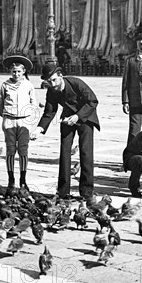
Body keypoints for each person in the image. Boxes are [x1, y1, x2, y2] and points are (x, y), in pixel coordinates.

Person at [30, 63, 100, 203]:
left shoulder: (76, 83)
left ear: (60, 75)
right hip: (67, 118)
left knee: (86, 153)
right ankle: (63, 192)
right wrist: (39, 129)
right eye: (48, 81)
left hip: (86, 118)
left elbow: (93, 101)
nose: (52, 84)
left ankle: (87, 192)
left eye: (54, 80)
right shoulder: (51, 90)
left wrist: (77, 117)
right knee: (65, 152)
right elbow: (50, 111)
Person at [0, 55, 37, 190]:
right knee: (10, 150)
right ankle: (11, 180)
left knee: (23, 151)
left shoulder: (28, 85)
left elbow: (33, 103)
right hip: (9, 121)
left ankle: (23, 180)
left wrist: (30, 120)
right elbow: (0, 103)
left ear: (24, 71)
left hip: (24, 121)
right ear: (10, 71)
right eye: (14, 71)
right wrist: (6, 115)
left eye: (19, 71)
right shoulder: (5, 85)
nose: (16, 74)